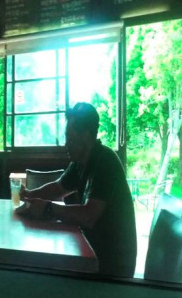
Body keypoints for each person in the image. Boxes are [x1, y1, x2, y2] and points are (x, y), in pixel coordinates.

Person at [17, 102, 137, 278]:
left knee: (40, 273)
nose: (66, 145)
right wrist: (29, 194)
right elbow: (58, 187)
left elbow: (89, 216)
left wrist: (48, 208)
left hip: (111, 267)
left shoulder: (105, 162)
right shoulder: (81, 161)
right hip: (93, 251)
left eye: (70, 138)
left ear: (86, 135)